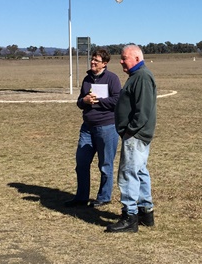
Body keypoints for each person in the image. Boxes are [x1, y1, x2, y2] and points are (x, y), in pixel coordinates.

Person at [105, 45, 157, 233]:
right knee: (140, 171)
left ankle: (130, 216)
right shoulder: (137, 76)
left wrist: (130, 130)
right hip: (137, 134)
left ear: (136, 58)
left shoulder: (142, 77)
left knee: (128, 174)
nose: (120, 61)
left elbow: (143, 110)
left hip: (135, 136)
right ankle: (145, 212)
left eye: (124, 58)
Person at [65, 49, 121, 208]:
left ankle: (104, 197)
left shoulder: (112, 78)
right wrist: (85, 100)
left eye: (96, 60)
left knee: (105, 164)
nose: (93, 62)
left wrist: (98, 101)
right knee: (81, 163)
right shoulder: (87, 79)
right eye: (92, 59)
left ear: (105, 63)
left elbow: (118, 100)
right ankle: (81, 197)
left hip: (107, 127)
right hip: (87, 128)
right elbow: (79, 102)